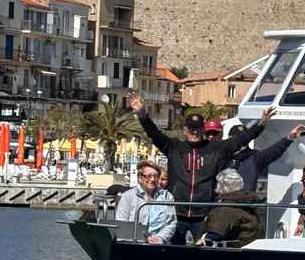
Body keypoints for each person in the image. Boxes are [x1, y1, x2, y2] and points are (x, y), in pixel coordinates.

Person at [128, 93, 275, 245]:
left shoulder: (216, 149)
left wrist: (261, 124)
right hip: (175, 213)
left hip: (204, 214)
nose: (195, 132)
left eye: (198, 129)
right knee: (172, 254)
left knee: (203, 254)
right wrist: (142, 113)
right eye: (191, 129)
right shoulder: (174, 147)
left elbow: (242, 139)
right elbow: (154, 133)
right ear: (185, 130)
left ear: (203, 130)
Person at [230, 123, 303, 197]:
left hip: (247, 203)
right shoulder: (222, 156)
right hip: (225, 203)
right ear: (230, 138)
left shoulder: (255, 157)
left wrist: (289, 138)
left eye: (244, 138)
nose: (242, 141)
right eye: (238, 138)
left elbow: (274, 150)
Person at [115, 160, 176, 243]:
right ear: (140, 178)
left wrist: (159, 238)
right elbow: (121, 224)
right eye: (148, 176)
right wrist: (142, 237)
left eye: (156, 176)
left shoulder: (167, 197)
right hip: (133, 242)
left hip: (159, 244)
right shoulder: (127, 197)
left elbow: (171, 223)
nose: (152, 179)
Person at [198, 169, 262, 246]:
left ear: (223, 186)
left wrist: (201, 241)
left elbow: (215, 233)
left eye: (217, 183)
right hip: (250, 245)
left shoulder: (226, 207)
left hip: (235, 250)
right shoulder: (245, 200)